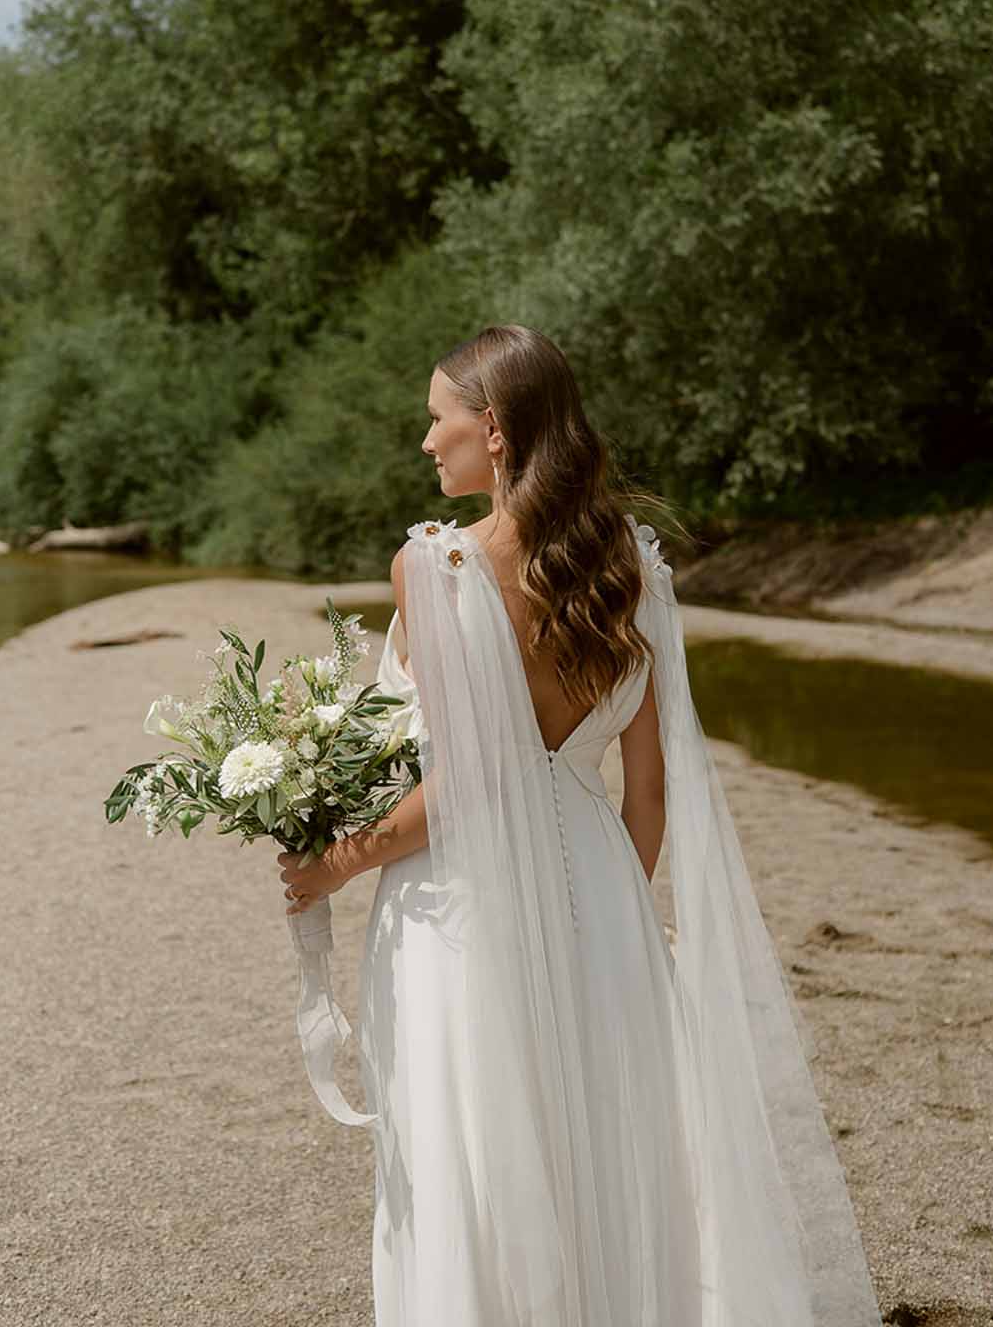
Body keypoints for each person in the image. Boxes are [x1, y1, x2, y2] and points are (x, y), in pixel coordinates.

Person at [277, 323, 883, 1326]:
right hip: (606, 894)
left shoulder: (434, 566)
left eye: (440, 420)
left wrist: (336, 863)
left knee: (475, 1155)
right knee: (605, 1152)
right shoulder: (631, 565)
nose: (428, 442)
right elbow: (646, 789)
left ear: (497, 430)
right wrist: (611, 916)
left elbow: (469, 782)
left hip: (461, 904)